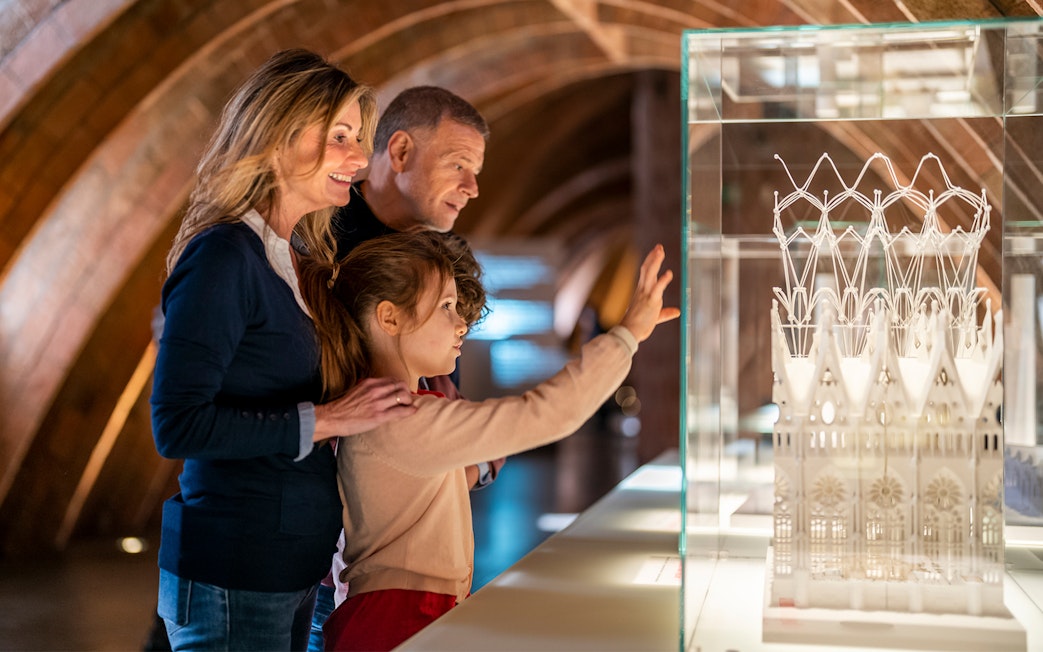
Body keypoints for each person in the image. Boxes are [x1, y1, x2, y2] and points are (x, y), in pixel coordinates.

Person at [149, 49, 416, 651]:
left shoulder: (294, 259)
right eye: (341, 137)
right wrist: (328, 420)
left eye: (360, 138)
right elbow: (178, 424)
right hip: (233, 571)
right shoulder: (223, 255)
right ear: (278, 138)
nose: (358, 158)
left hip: (290, 568)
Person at [297, 231, 679, 651]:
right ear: (389, 318)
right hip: (397, 621)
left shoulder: (399, 411)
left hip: (403, 614)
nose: (461, 322)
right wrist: (626, 336)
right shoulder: (402, 417)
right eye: (446, 306)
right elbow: (547, 412)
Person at [307, 86, 500, 650]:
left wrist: (475, 463)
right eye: (458, 165)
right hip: (331, 553)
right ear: (398, 151)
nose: (473, 187)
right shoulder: (317, 239)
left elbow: (446, 401)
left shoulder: (444, 254)